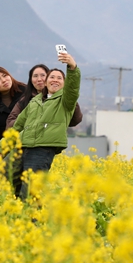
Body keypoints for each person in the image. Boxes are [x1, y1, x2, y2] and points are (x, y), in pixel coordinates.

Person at [11, 52, 80, 198]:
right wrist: (1, 148)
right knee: (17, 191)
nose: (55, 80)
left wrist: (72, 67)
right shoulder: (35, 101)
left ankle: (32, 219)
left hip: (43, 149)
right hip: (25, 146)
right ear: (46, 82)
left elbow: (73, 89)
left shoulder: (65, 101)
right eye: (52, 77)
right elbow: (18, 125)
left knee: (30, 192)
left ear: (64, 83)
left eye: (59, 78)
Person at [6, 64, 84, 130]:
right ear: (31, 80)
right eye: (35, 76)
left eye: (43, 75)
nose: (39, 79)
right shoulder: (25, 100)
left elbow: (76, 120)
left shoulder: (62, 98)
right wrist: (31, 122)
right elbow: (10, 124)